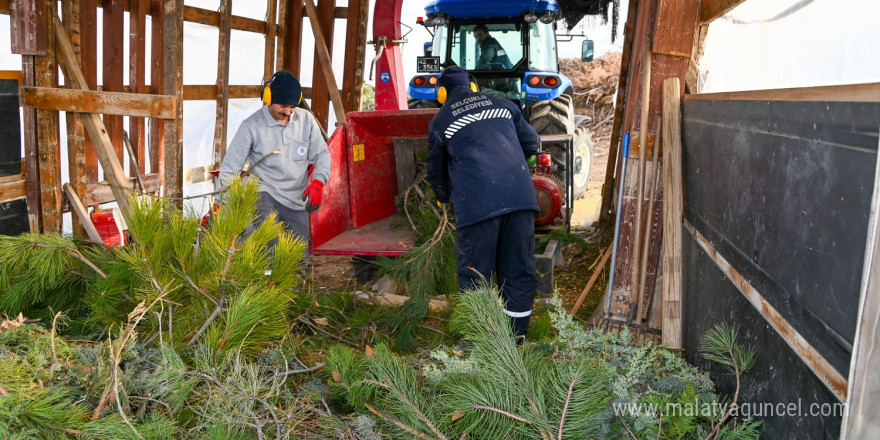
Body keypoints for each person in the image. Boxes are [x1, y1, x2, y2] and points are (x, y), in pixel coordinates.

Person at [427, 66, 540, 340]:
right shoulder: (505, 105)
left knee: (475, 274)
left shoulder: (441, 121)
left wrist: (444, 198)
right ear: (473, 86)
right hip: (521, 200)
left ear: (442, 93)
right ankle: (515, 339)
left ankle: (483, 341)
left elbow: (437, 172)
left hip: (477, 207)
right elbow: (532, 142)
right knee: (518, 272)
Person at [216, 71, 331, 269]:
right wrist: (219, 204)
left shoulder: (306, 121)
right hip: (264, 191)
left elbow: (322, 154)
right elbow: (230, 168)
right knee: (269, 245)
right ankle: (266, 290)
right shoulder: (251, 126)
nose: (288, 112)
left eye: (293, 106)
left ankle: (294, 294)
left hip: (295, 197)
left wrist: (319, 182)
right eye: (283, 106)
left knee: (298, 252)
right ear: (268, 99)